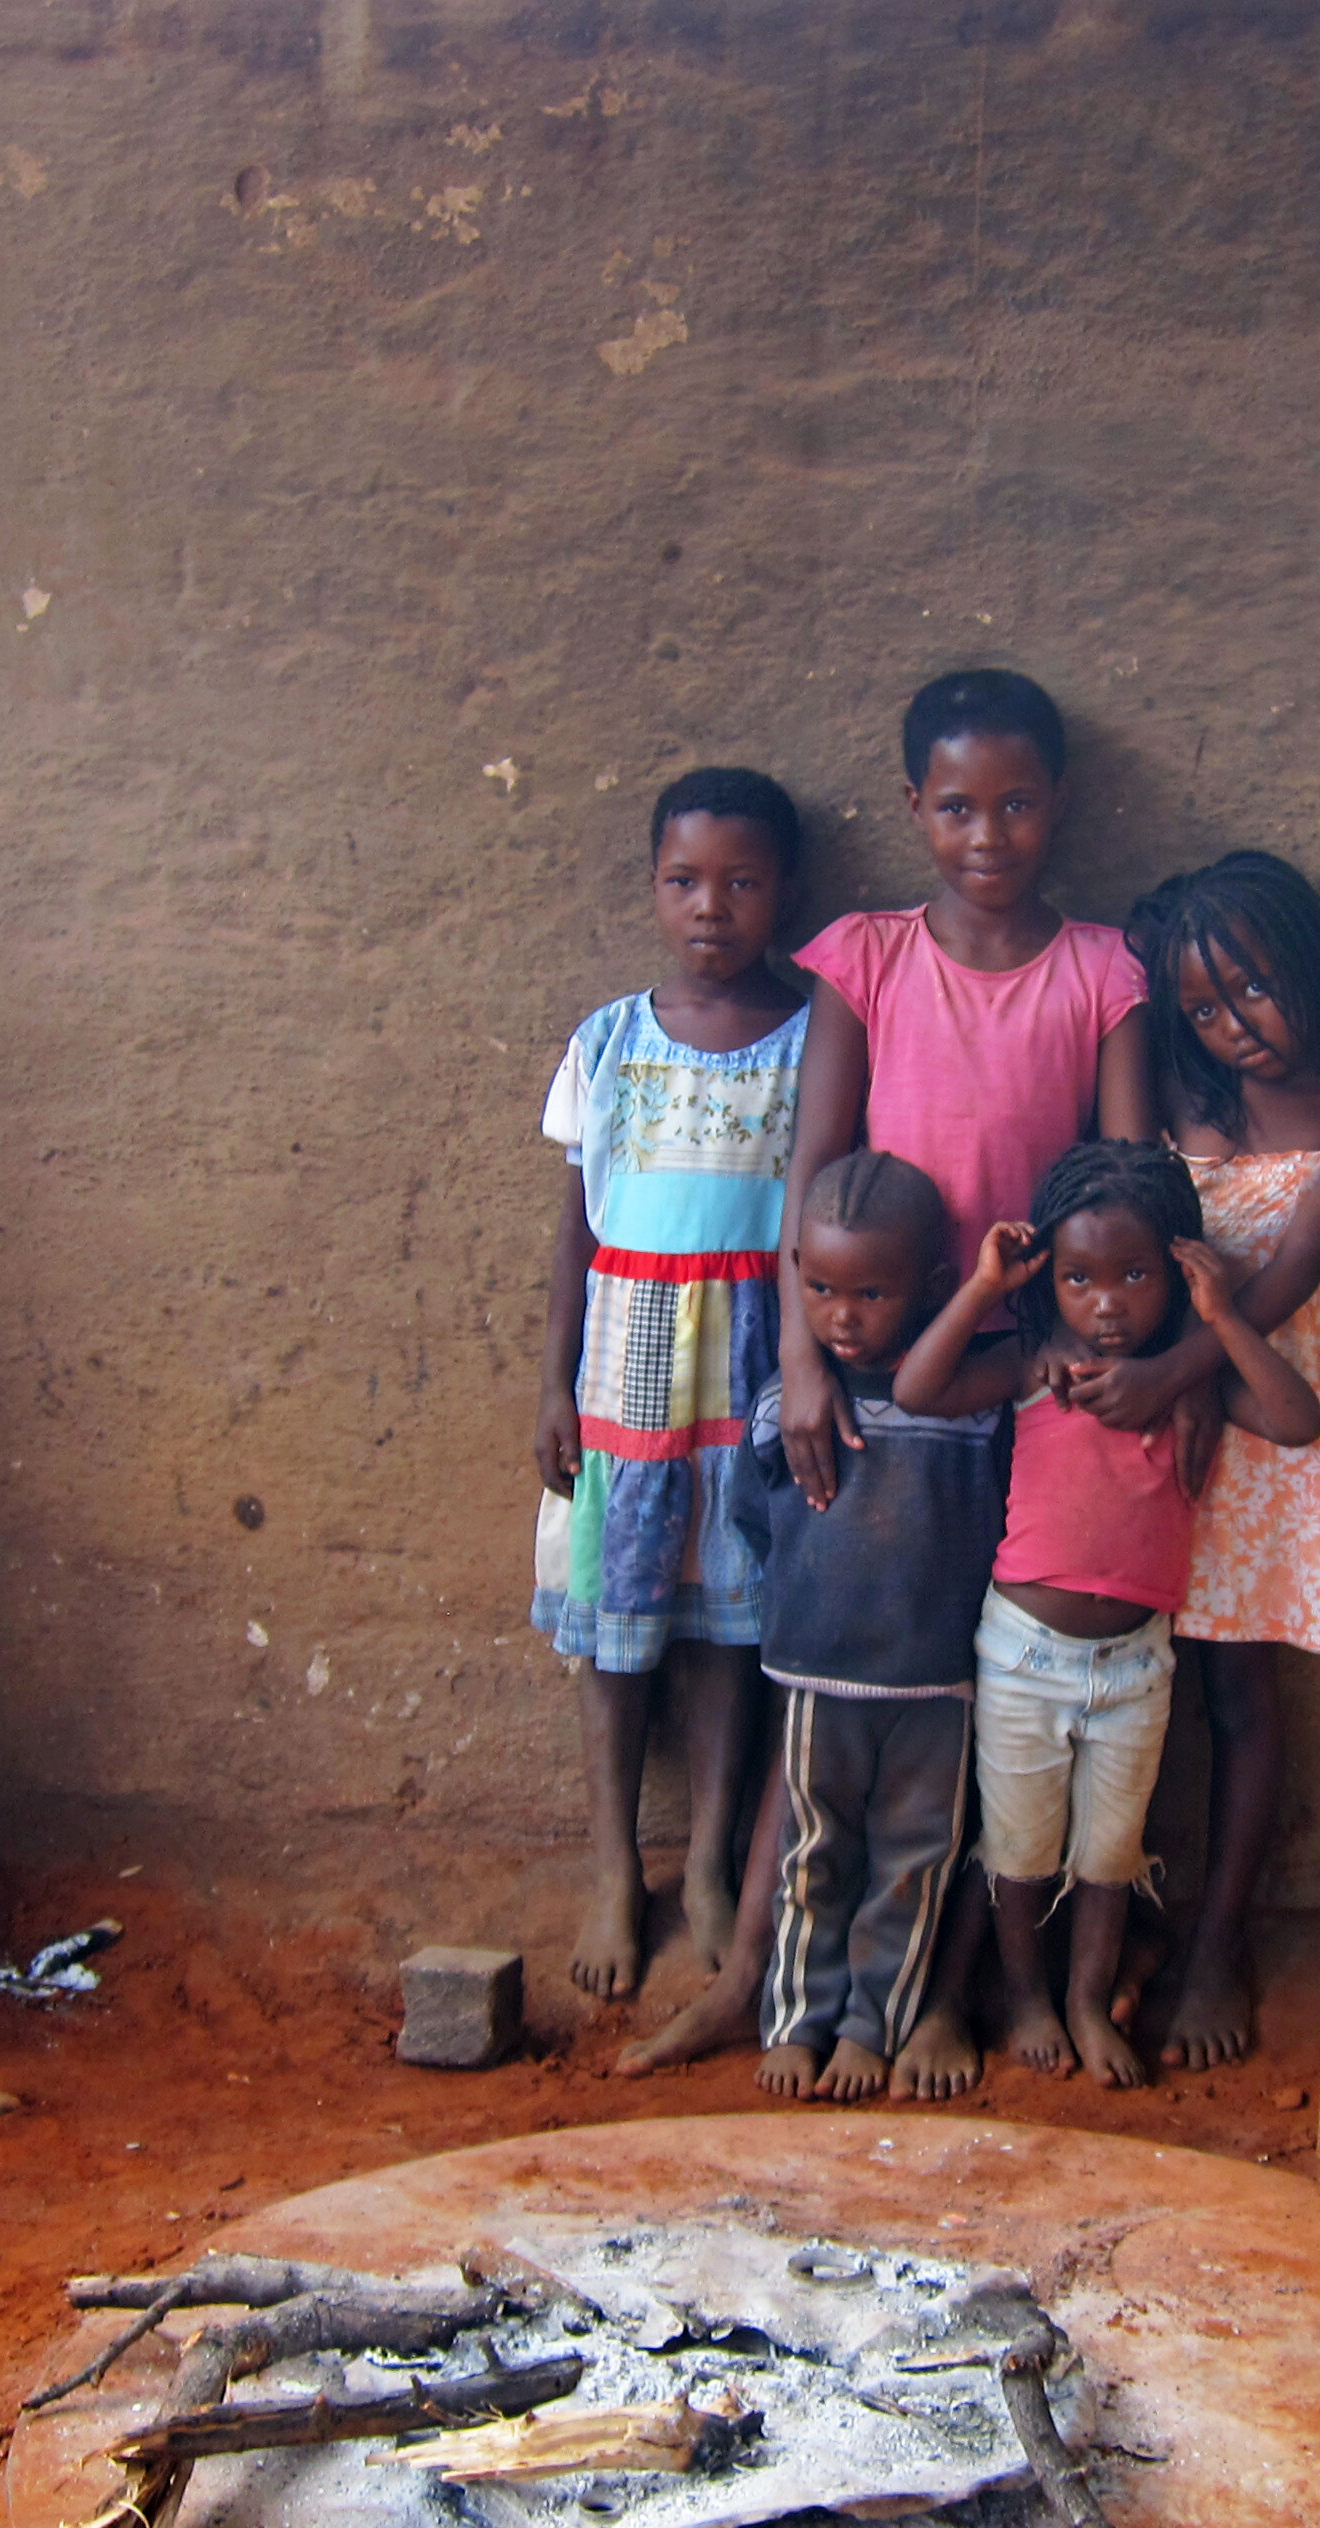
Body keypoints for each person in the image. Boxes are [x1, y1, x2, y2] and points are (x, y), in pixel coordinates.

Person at [761, 667, 1166, 2089]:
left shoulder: (1107, 972)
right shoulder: (863, 958)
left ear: (1059, 807)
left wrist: (1085, 1343)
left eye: (1016, 804)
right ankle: (845, 1985)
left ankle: (966, 1991)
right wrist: (806, 1362)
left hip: (1036, 1376)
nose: (987, 834)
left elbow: (1124, 1185)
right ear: (911, 810)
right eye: (955, 806)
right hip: (881, 1375)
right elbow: (808, 1176)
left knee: (993, 1691)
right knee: (873, 1677)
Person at [893, 1140, 1320, 2086]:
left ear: (1178, 1268)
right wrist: (982, 1290)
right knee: (1017, 1849)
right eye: (1081, 1278)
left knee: (1110, 1853)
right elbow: (917, 1386)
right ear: (1053, 1280)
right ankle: (1028, 1997)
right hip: (1021, 1655)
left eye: (1135, 1276)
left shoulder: (1185, 1386)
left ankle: (1086, 2000)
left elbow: (1298, 1420)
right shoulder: (1035, 1364)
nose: (1107, 1302)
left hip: (1136, 1666)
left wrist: (1217, 1325)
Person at [1111, 851, 1320, 2068]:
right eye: (1203, 1009)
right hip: (1149, 1430)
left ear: (1311, 969)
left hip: (1258, 1432)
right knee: (1127, 1690)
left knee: (1236, 1697)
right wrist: (1148, 1397)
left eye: (1255, 991)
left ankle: (1218, 1941)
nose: (1236, 1030)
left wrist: (1163, 1385)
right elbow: (1121, 1216)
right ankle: (1117, 1927)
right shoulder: (1181, 1105)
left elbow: (1278, 1295)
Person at [531, 768, 808, 1999]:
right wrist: (550, 1388)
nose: (713, 908)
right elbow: (572, 1228)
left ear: (783, 893)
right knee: (619, 1625)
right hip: (626, 1363)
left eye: (743, 882)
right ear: (651, 888)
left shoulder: (812, 1039)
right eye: (685, 881)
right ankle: (610, 1867)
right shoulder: (609, 1040)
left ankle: (704, 1863)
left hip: (751, 1356)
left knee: (727, 1624)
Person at [733, 1152, 1008, 2102]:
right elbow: (750, 1517)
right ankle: (795, 2021)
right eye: (819, 1288)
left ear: (933, 1285)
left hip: (937, 1683)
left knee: (911, 1863)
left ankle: (872, 2025)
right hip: (819, 1675)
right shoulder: (786, 1409)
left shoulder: (974, 1409)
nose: (841, 1316)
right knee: (813, 1854)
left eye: (871, 1293)